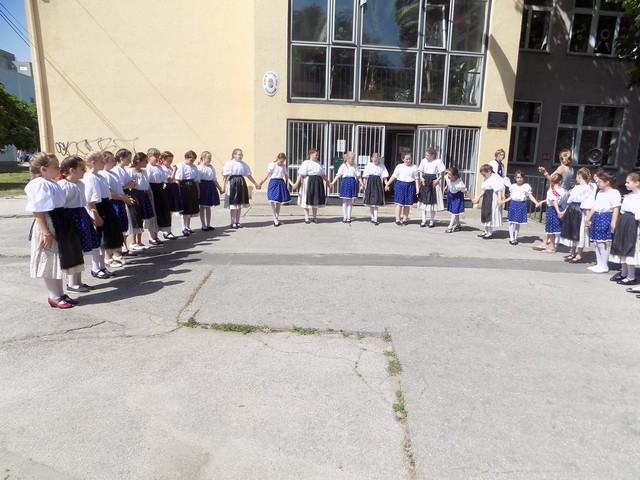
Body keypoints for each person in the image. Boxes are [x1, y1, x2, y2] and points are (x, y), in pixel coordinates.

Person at [25, 152, 84, 309]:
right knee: (50, 260)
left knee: (59, 261)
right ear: (43, 169)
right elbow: (38, 211)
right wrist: (46, 233)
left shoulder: (51, 182)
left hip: (59, 221)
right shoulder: (39, 184)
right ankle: (53, 295)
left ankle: (60, 293)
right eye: (55, 166)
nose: (59, 169)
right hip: (48, 224)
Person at [58, 155, 100, 293]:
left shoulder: (80, 184)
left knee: (81, 250)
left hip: (81, 217)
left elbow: (82, 203)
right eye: (82, 168)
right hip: (71, 219)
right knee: (75, 250)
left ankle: (78, 281)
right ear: (72, 170)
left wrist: (88, 217)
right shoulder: (63, 185)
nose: (84, 171)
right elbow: (61, 206)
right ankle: (72, 283)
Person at [83, 151, 124, 278]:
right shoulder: (90, 178)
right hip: (98, 208)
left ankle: (102, 266)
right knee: (98, 238)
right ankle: (95, 268)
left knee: (104, 239)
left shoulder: (100, 176)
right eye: (101, 161)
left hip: (106, 206)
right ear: (93, 163)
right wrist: (95, 214)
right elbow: (91, 199)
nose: (104, 163)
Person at [99, 151, 136, 267]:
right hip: (113, 203)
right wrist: (122, 198)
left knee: (119, 229)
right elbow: (110, 192)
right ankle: (108, 256)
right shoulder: (103, 174)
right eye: (112, 160)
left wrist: (124, 197)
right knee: (112, 230)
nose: (114, 162)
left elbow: (119, 188)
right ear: (105, 161)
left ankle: (117, 254)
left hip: (119, 202)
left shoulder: (112, 173)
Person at [585, 170, 621, 273]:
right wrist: (588, 218)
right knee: (596, 242)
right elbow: (595, 206)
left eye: (600, 181)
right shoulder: (600, 193)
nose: (598, 183)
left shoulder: (614, 193)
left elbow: (616, 208)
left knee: (602, 242)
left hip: (606, 216)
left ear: (607, 182)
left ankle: (604, 265)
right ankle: (599, 263)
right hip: (597, 216)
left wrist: (613, 222)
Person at [609, 172, 640, 285]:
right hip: (624, 221)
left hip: (633, 223)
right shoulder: (629, 196)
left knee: (629, 248)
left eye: (628, 182)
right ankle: (624, 273)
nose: (626, 184)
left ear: (636, 183)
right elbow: (622, 210)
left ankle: (631, 276)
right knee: (622, 247)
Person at [560, 167, 596, 263]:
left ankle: (579, 254)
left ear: (579, 176)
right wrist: (564, 211)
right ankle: (572, 253)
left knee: (580, 232)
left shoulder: (588, 188)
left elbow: (588, 204)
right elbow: (570, 201)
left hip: (581, 211)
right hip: (572, 210)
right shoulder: (577, 187)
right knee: (572, 231)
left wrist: (588, 218)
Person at [499, 170, 541, 245]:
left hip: (521, 205)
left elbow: (530, 196)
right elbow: (511, 196)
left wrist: (536, 202)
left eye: (521, 177)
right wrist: (503, 201)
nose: (519, 179)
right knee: (512, 222)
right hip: (513, 204)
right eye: (518, 177)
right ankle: (511, 238)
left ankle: (515, 238)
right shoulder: (513, 186)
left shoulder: (526, 186)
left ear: (523, 178)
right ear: (515, 178)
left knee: (518, 223)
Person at [222, 148, 260, 229]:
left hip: (241, 182)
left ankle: (237, 221)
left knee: (239, 203)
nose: (241, 156)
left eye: (241, 154)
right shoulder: (229, 163)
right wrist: (223, 186)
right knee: (233, 203)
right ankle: (233, 222)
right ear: (234, 155)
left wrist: (255, 183)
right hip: (232, 182)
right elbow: (225, 176)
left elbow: (248, 175)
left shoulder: (243, 164)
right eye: (239, 154)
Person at [291, 148, 330, 224]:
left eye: (318, 155)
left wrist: (328, 182)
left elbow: (322, 175)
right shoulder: (306, 163)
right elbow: (301, 174)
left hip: (317, 182)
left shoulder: (318, 163)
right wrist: (296, 184)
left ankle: (314, 217)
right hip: (308, 182)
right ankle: (306, 218)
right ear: (311, 154)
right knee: (306, 199)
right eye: (316, 155)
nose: (317, 156)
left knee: (315, 200)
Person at [112, 148, 138, 256]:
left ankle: (124, 246)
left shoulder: (124, 169)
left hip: (126, 194)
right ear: (121, 158)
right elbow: (118, 187)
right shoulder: (116, 170)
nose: (130, 161)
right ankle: (122, 247)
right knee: (124, 223)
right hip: (122, 195)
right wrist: (129, 185)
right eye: (128, 159)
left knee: (127, 223)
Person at [128, 152, 154, 250]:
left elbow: (146, 183)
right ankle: (133, 241)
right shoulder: (131, 172)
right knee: (135, 218)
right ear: (138, 161)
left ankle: (139, 240)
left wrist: (148, 191)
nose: (146, 163)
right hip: (135, 194)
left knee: (142, 218)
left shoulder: (144, 172)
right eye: (145, 161)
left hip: (143, 194)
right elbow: (129, 184)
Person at [258, 152, 293, 227]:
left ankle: (276, 218)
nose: (282, 163)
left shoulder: (283, 166)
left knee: (278, 202)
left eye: (283, 161)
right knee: (272, 200)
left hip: (280, 182)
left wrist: (292, 184)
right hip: (273, 182)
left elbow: (287, 177)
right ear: (277, 158)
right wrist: (261, 183)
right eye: (281, 161)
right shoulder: (272, 165)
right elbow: (267, 175)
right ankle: (275, 218)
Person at [385, 152, 419, 226]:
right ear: (403, 159)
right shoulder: (399, 166)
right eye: (407, 159)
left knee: (407, 204)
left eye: (409, 159)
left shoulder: (414, 167)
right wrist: (387, 184)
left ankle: (405, 219)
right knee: (399, 204)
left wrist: (417, 188)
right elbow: (394, 176)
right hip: (400, 185)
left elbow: (416, 178)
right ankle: (397, 219)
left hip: (410, 186)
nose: (408, 160)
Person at [146, 148, 171, 245]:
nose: (157, 158)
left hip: (160, 190)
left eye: (158, 156)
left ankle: (156, 236)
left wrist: (164, 184)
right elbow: (147, 181)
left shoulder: (159, 167)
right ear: (149, 157)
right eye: (155, 156)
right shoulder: (147, 168)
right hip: (152, 189)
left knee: (159, 212)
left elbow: (164, 179)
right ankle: (151, 237)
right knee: (153, 212)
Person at [329, 151, 363, 224]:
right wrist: (332, 183)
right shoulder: (343, 166)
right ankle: (344, 217)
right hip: (345, 182)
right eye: (351, 159)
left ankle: (349, 217)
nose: (352, 160)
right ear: (347, 158)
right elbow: (338, 175)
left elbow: (358, 176)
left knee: (350, 201)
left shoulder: (355, 166)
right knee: (344, 201)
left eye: (353, 159)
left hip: (352, 182)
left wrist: (362, 184)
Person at [473, 164, 505, 239]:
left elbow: (499, 189)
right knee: (485, 213)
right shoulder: (486, 178)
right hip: (486, 197)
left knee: (490, 214)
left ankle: (489, 232)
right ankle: (486, 231)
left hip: (492, 197)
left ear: (489, 171)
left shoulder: (496, 177)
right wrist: (478, 198)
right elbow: (484, 189)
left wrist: (499, 199)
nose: (483, 176)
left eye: (484, 174)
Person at [537, 173, 566, 253]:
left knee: (551, 230)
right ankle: (554, 245)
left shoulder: (551, 191)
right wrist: (562, 211)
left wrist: (558, 211)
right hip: (561, 209)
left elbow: (554, 201)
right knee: (557, 228)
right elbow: (564, 202)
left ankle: (552, 247)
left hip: (553, 210)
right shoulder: (563, 191)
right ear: (560, 181)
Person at [418, 148, 446, 228]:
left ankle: (432, 221)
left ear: (433, 155)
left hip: (433, 180)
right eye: (426, 155)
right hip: (425, 180)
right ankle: (423, 220)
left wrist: (437, 180)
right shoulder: (424, 161)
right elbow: (421, 170)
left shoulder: (438, 161)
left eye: (428, 155)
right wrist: (421, 178)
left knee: (432, 202)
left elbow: (442, 173)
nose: (426, 156)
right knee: (424, 201)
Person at [175, 150, 201, 235]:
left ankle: (188, 226)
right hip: (184, 187)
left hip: (192, 187)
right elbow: (178, 180)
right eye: (191, 160)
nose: (192, 161)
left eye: (193, 160)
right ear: (186, 158)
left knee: (190, 207)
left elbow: (196, 180)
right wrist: (178, 191)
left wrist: (198, 191)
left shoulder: (194, 167)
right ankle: (184, 227)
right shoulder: (181, 166)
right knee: (185, 208)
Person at [197, 151, 223, 231]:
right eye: (208, 158)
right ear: (203, 158)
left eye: (210, 158)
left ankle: (208, 224)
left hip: (210, 186)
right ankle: (203, 225)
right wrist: (198, 191)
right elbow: (197, 180)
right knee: (202, 207)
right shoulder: (199, 168)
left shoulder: (211, 168)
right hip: (203, 187)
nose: (210, 159)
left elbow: (214, 179)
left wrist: (219, 188)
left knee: (208, 207)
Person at [443, 166, 474, 233]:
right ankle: (458, 224)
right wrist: (446, 187)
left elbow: (465, 192)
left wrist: (472, 199)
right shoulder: (447, 177)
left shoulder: (459, 184)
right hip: (451, 195)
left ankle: (450, 227)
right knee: (454, 211)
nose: (448, 175)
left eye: (450, 174)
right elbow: (448, 182)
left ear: (455, 176)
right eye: (448, 173)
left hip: (457, 197)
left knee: (454, 211)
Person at [362, 152, 388, 225]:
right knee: (371, 202)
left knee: (376, 202)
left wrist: (386, 184)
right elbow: (365, 176)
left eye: (377, 160)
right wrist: (363, 185)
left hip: (377, 183)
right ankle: (372, 217)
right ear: (372, 158)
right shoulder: (369, 165)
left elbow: (384, 176)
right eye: (375, 160)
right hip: (370, 183)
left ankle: (375, 218)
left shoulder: (381, 165)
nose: (376, 161)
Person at [160, 151, 181, 239]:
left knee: (171, 211)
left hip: (172, 188)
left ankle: (168, 230)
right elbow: (170, 179)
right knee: (167, 211)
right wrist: (175, 170)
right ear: (163, 160)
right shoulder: (163, 168)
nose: (171, 162)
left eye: (171, 160)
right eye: (169, 160)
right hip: (167, 188)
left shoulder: (169, 168)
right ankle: (166, 231)